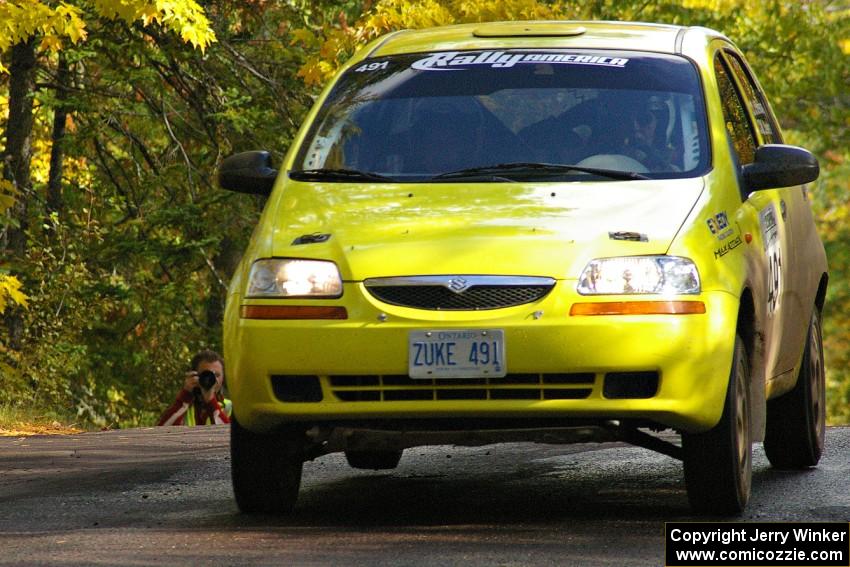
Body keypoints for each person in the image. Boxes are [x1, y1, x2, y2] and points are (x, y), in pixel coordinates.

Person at [157, 349, 231, 426]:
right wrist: (185, 394)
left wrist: (211, 401)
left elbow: (228, 435)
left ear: (223, 378)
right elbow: (161, 432)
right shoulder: (183, 405)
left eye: (217, 375)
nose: (212, 379)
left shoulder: (229, 407)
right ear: (194, 375)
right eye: (206, 374)